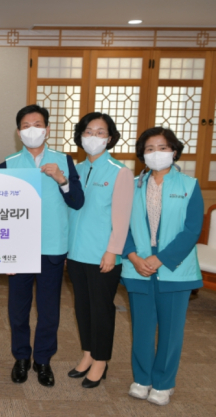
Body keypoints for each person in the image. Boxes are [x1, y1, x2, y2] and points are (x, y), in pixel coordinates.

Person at [3, 105, 84, 387]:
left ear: (47, 129)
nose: (32, 130)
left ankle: (43, 360)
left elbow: (77, 202)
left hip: (52, 246)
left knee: (49, 310)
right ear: (18, 132)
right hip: (19, 249)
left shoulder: (64, 161)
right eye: (26, 126)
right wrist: (4, 253)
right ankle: (21, 358)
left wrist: (62, 179)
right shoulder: (9, 163)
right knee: (18, 310)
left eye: (37, 124)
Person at [122, 127, 203, 406]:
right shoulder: (132, 185)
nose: (156, 153)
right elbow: (121, 225)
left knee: (171, 330)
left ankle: (164, 382)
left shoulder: (190, 185)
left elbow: (192, 230)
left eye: (163, 148)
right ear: (142, 154)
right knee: (142, 328)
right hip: (138, 265)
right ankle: (142, 378)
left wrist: (162, 258)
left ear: (174, 151)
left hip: (174, 267)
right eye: (150, 149)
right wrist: (133, 257)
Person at [66, 112, 134, 388]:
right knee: (82, 307)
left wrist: (113, 250)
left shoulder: (120, 172)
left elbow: (122, 217)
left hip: (103, 254)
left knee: (101, 308)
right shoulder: (76, 170)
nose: (93, 137)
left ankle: (101, 360)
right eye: (88, 131)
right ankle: (87, 354)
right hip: (75, 252)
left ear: (110, 137)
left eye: (100, 132)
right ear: (80, 136)